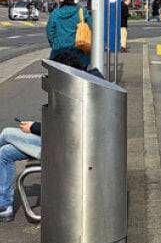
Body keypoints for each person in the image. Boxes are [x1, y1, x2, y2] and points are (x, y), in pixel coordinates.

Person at [0, 50, 94, 222]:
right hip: (62, 142)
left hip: (62, 147)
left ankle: (4, 204)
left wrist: (34, 127)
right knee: (5, 152)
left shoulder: (76, 94)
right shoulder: (85, 86)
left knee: (6, 134)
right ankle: (4, 205)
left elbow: (65, 129)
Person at [45, 0, 91, 67]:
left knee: (59, 76)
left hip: (59, 52)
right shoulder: (82, 12)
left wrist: (54, 44)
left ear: (62, 0)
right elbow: (91, 26)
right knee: (79, 76)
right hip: (79, 52)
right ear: (76, 0)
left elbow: (49, 31)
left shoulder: (55, 13)